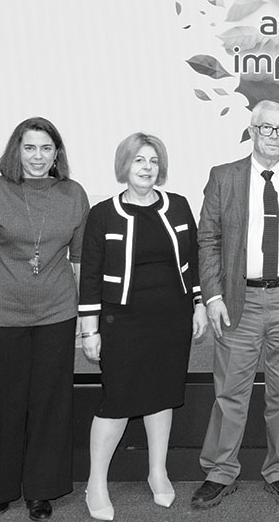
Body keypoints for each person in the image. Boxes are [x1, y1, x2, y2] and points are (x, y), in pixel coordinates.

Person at [191, 100, 279, 509]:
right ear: (252, 131)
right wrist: (212, 295)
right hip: (238, 299)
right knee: (230, 391)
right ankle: (220, 471)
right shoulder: (224, 177)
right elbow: (208, 239)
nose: (273, 136)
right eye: (265, 128)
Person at [0, 117, 89, 521]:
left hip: (56, 313)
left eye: (46, 148)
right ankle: (4, 488)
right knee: (4, 404)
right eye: (29, 148)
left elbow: (81, 260)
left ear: (57, 154)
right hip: (2, 315)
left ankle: (41, 491)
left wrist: (85, 317)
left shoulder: (73, 194)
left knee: (51, 404)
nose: (37, 157)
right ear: (17, 151)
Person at [78, 133, 205, 520]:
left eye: (152, 160)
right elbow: (91, 277)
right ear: (125, 166)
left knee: (162, 394)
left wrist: (198, 305)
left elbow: (193, 261)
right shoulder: (103, 213)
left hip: (171, 318)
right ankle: (95, 483)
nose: (146, 167)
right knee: (116, 402)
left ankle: (157, 472)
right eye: (138, 160)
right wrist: (89, 328)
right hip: (122, 322)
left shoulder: (179, 206)